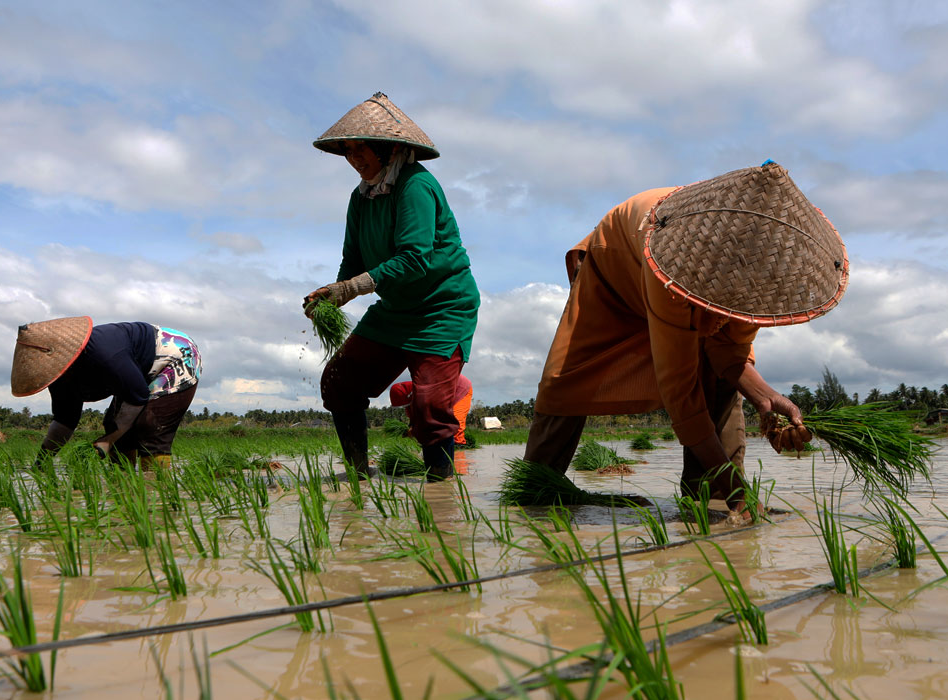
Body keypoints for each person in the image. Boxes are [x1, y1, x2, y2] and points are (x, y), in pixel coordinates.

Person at [523, 161, 848, 511]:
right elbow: (679, 391)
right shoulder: (672, 264)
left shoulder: (758, 282)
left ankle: (710, 497)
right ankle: (538, 490)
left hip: (676, 274)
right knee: (567, 378)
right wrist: (741, 490)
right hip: (615, 275)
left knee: (720, 384)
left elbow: (731, 355)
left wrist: (766, 397)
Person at [304, 92, 480, 481]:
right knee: (339, 383)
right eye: (347, 152)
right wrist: (331, 295)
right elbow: (354, 261)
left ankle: (441, 486)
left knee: (430, 405)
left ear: (387, 149)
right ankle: (357, 474)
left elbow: (415, 258)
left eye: (361, 150)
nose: (354, 160)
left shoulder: (415, 185)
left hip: (441, 308)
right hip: (396, 310)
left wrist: (352, 289)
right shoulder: (361, 197)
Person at [10, 316, 201, 471]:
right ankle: (124, 492)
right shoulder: (58, 377)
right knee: (114, 425)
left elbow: (137, 397)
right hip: (137, 372)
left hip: (177, 357)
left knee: (149, 425)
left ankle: (157, 496)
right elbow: (65, 421)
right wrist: (42, 461)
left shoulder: (104, 354)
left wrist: (108, 440)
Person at [390, 374, 474, 447]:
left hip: (461, 387)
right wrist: (410, 427)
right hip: (445, 391)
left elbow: (432, 416)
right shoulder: (409, 397)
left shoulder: (424, 391)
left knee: (455, 422)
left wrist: (416, 430)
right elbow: (413, 416)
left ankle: (459, 449)